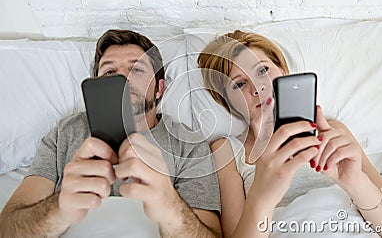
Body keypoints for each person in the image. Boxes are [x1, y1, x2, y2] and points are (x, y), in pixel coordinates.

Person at [0, 29, 222, 237]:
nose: (123, 79)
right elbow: (7, 229)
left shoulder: (190, 145)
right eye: (110, 71)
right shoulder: (65, 133)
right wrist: (58, 209)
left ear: (159, 88)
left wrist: (170, 207)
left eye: (136, 69)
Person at [197, 30, 382, 237]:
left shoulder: (333, 131)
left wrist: (356, 182)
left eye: (262, 70)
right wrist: (263, 194)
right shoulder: (227, 150)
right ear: (227, 101)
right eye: (239, 84)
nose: (257, 88)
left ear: (283, 71)